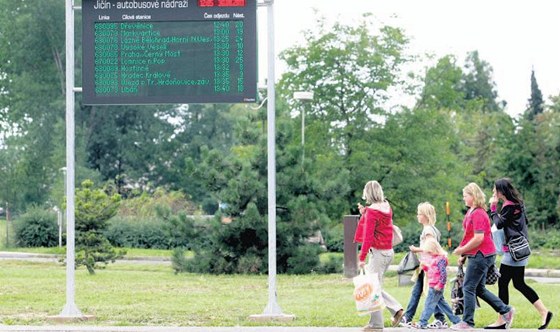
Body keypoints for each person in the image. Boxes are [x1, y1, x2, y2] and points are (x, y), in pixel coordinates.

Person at [485, 178, 553, 330]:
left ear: (501, 191)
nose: (493, 192)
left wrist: (493, 208)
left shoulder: (509, 206)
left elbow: (499, 223)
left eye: (494, 189)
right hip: (520, 249)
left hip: (513, 252)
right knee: (519, 283)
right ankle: (544, 312)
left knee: (503, 284)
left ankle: (503, 319)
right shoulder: (517, 204)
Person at [451, 182, 515, 330]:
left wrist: (461, 250)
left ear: (473, 196)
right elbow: (469, 236)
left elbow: (479, 238)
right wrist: (464, 254)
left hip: (481, 255)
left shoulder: (479, 213)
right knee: (478, 289)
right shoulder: (471, 211)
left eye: (465, 195)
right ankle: (506, 310)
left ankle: (467, 322)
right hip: (477, 254)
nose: (463, 198)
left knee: (468, 287)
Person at [354, 180, 404, 331]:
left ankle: (392, 313)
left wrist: (361, 257)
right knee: (374, 288)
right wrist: (365, 213)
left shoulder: (372, 211)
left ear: (367, 193)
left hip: (378, 253)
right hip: (388, 252)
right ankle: (375, 323)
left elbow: (368, 236)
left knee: (372, 289)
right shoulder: (386, 207)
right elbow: (381, 225)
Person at [400, 202, 449, 329]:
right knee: (423, 291)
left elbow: (430, 247)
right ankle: (410, 317)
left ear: (426, 215)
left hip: (428, 266)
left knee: (429, 292)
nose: (417, 216)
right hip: (428, 266)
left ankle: (438, 318)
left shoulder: (428, 230)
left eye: (419, 214)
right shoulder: (433, 229)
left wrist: (416, 249)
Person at [410, 237, 462, 329]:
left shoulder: (440, 259)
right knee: (443, 305)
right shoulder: (433, 258)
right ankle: (457, 321)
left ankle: (422, 322)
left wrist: (440, 284)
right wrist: (425, 267)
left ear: (434, 249)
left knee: (429, 304)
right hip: (433, 285)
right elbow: (432, 270)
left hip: (436, 286)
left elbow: (443, 273)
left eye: (429, 252)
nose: (428, 254)